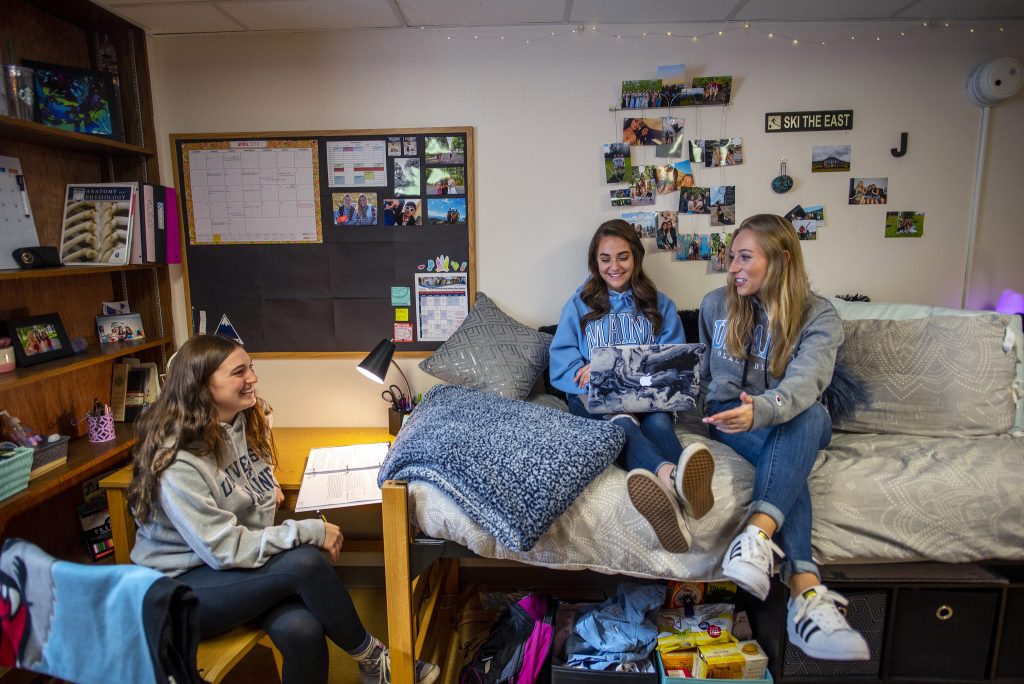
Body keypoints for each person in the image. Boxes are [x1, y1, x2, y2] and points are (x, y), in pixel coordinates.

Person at [127, 335, 440, 684]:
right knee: (306, 560)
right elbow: (224, 549)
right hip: (180, 590)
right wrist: (311, 531)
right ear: (202, 384)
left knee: (303, 630)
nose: (253, 378)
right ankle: (374, 660)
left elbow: (242, 475)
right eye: (239, 372)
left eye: (251, 368)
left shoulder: (238, 421)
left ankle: (373, 665)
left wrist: (267, 483)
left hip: (233, 572)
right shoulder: (177, 460)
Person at [697, 214, 869, 661]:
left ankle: (755, 535)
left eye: (745, 257)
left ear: (781, 259)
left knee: (807, 417)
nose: (733, 267)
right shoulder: (716, 304)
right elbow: (707, 379)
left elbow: (806, 385)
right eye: (731, 257)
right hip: (729, 415)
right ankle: (807, 593)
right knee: (789, 461)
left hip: (791, 416)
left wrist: (764, 410)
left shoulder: (819, 315)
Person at [549, 219, 714, 554]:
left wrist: (632, 370)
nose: (614, 266)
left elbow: (673, 362)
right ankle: (671, 475)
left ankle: (680, 492)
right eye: (605, 258)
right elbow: (561, 363)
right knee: (621, 423)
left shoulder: (660, 304)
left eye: (622, 257)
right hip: (593, 397)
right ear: (595, 262)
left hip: (648, 396)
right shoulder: (579, 304)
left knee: (655, 421)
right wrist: (590, 370)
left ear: (637, 258)